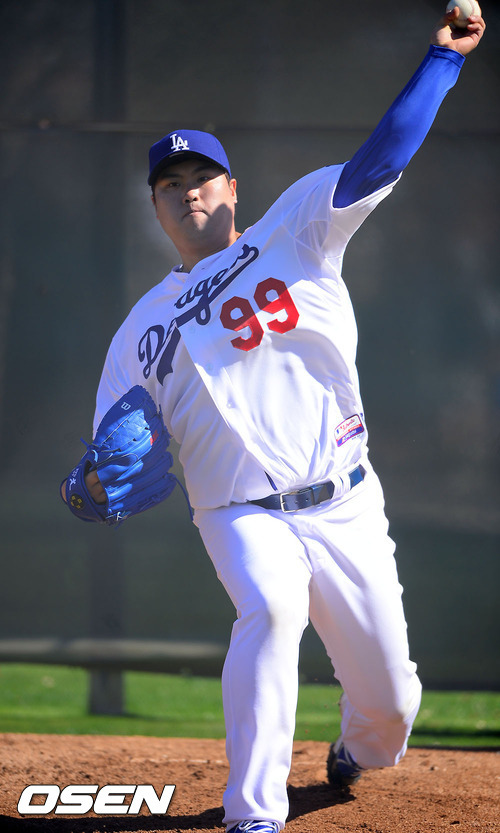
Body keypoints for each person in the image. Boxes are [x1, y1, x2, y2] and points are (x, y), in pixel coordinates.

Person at [67, 8, 485, 833]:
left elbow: (382, 157)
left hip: (345, 498)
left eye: (203, 177)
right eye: (170, 184)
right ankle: (253, 813)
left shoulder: (296, 229)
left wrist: (442, 62)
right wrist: (90, 482)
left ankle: (357, 748)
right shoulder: (138, 330)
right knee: (270, 610)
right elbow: (110, 450)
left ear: (233, 190)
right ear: (155, 207)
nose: (189, 191)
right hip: (238, 513)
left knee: (392, 704)